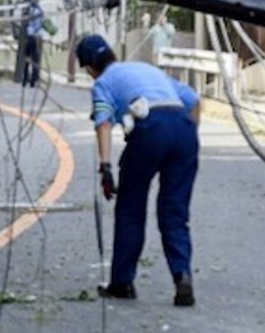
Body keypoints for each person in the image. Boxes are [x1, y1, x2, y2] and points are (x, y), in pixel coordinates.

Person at [76, 34, 201, 307]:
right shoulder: (146, 68)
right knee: (174, 211)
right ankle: (182, 275)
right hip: (184, 129)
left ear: (90, 68)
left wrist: (106, 167)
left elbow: (103, 122)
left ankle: (122, 282)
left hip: (150, 130)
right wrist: (188, 135)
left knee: (131, 208)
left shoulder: (103, 83)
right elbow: (193, 100)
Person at [23, 0, 45, 88]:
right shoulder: (39, 12)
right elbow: (39, 24)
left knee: (27, 59)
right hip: (36, 37)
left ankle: (25, 80)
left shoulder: (29, 11)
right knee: (35, 60)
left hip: (29, 37)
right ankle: (33, 80)